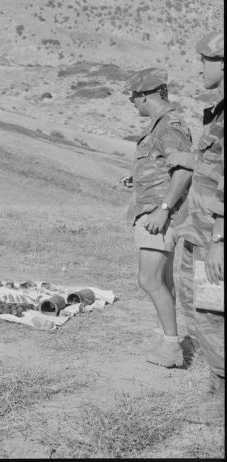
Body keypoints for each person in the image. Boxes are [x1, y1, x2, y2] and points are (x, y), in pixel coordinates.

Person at [120, 67, 194, 367]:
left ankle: (172, 349)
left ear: (146, 95)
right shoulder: (160, 125)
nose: (132, 102)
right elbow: (165, 166)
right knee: (162, 280)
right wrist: (136, 178)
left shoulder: (169, 126)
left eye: (133, 97)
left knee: (148, 279)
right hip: (154, 210)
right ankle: (167, 337)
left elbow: (184, 171)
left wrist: (163, 210)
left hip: (159, 216)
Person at [174, 31, 225, 425]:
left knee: (213, 312)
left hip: (216, 236)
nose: (200, 67)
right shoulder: (216, 111)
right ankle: (216, 382)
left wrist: (221, 240)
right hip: (201, 229)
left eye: (206, 59)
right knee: (199, 307)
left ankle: (223, 397)